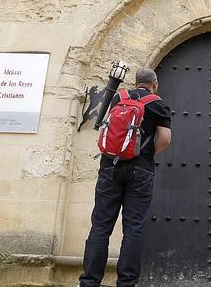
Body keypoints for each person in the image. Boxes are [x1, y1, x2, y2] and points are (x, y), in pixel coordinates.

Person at [79, 67, 172, 287]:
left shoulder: (118, 98)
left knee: (100, 226)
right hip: (140, 170)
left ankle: (89, 282)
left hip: (109, 166)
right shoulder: (157, 103)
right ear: (154, 84)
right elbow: (165, 138)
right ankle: (127, 283)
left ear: (136, 82)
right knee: (133, 227)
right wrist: (146, 154)